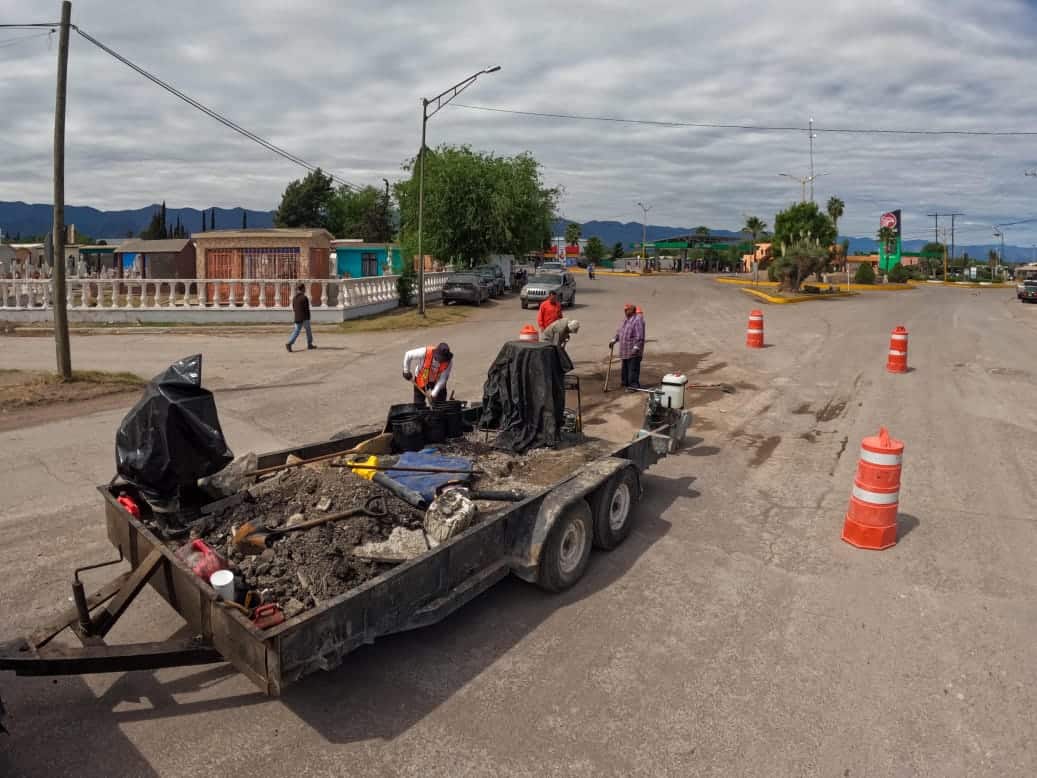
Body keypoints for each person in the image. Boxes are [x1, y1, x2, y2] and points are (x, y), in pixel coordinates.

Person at [609, 303, 645, 390]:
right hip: (625, 350)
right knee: (625, 369)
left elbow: (639, 335)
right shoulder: (625, 320)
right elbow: (620, 332)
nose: (625, 311)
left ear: (632, 311)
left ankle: (633, 386)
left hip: (633, 350)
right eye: (624, 310)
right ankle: (625, 383)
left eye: (626, 310)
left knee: (633, 369)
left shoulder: (637, 320)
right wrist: (614, 339)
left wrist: (636, 347)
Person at [286, 283, 315, 352]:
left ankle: (290, 343)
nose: (305, 290)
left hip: (297, 317)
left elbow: (294, 308)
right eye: (304, 288)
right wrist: (308, 317)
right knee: (308, 330)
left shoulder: (295, 298)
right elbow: (306, 309)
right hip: (304, 317)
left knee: (296, 331)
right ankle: (309, 344)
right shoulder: (304, 298)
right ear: (302, 289)